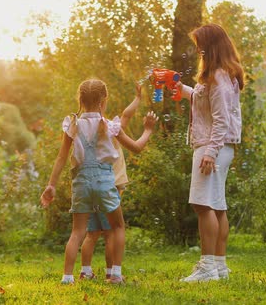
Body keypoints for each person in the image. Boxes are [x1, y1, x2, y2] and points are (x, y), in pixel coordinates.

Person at [40, 79, 158, 285]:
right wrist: (147, 130)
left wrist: (51, 185)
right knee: (118, 227)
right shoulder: (110, 125)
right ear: (104, 100)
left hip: (80, 183)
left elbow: (61, 158)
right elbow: (137, 148)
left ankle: (67, 278)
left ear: (80, 99)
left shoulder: (73, 125)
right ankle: (115, 275)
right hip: (104, 182)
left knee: (78, 232)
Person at [175, 24, 244, 282]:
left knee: (203, 205)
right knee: (216, 206)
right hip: (216, 146)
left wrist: (210, 152)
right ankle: (219, 266)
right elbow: (207, 102)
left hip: (212, 146)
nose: (198, 50)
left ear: (211, 46)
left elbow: (221, 119)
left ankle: (207, 268)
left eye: (201, 46)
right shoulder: (221, 75)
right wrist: (183, 91)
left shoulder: (218, 76)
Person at [78, 83, 143, 281]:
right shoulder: (110, 129)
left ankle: (85, 272)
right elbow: (126, 117)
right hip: (110, 186)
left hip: (90, 186)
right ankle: (111, 273)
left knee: (92, 234)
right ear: (102, 101)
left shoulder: (95, 128)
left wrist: (138, 99)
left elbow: (126, 114)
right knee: (111, 233)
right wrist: (147, 128)